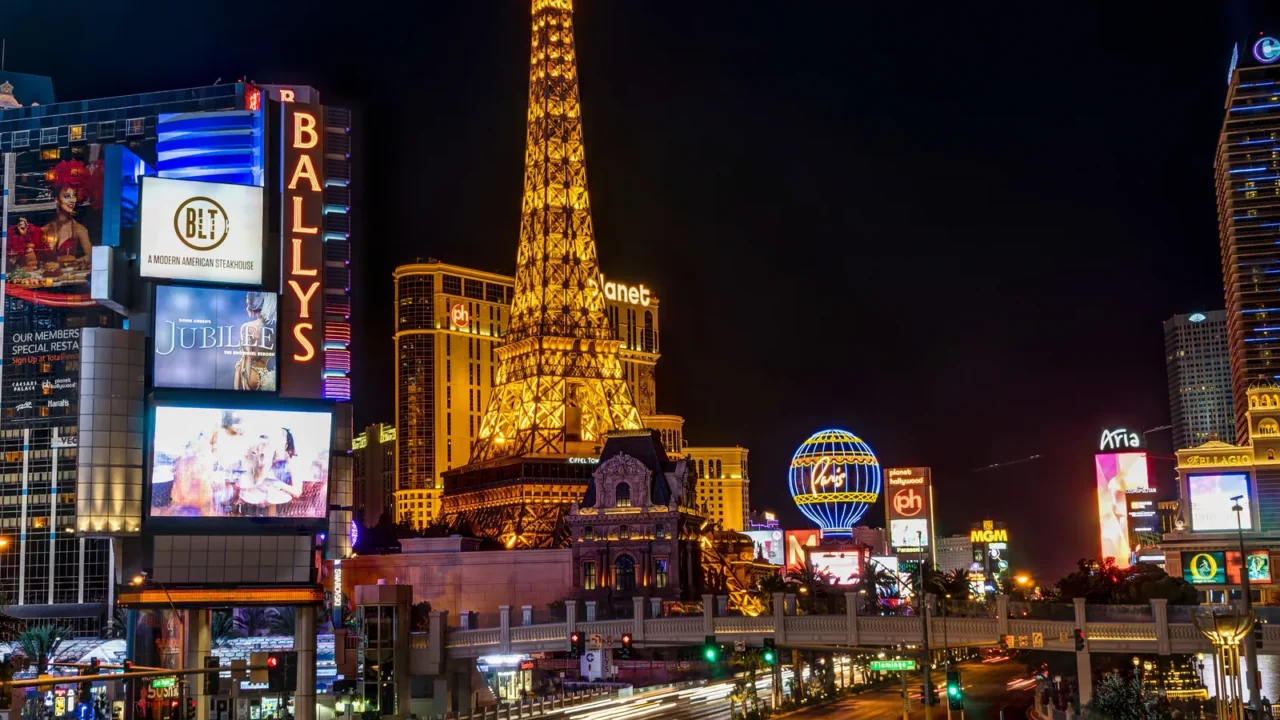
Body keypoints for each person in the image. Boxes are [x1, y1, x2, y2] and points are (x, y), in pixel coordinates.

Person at [38, 159, 93, 268]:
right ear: (56, 199)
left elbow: (91, 256)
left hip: (70, 278)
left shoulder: (79, 229)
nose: (72, 200)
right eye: (67, 196)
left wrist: (70, 263)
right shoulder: (44, 229)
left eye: (74, 195)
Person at [235, 292, 278, 391]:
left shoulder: (247, 327)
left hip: (251, 373)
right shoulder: (276, 329)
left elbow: (247, 356)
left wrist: (245, 382)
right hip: (267, 376)